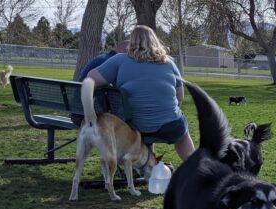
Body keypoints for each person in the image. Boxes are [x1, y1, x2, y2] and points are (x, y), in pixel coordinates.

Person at [85, 26, 195, 161]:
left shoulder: (120, 60)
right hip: (169, 128)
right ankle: (194, 165)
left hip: (133, 127)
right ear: (155, 41)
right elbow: (180, 97)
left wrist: (111, 82)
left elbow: (90, 78)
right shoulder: (169, 62)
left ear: (131, 41)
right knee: (181, 130)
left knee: (145, 118)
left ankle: (148, 162)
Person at [71, 41, 128, 127]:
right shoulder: (110, 62)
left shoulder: (101, 58)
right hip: (91, 115)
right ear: (125, 51)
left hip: (77, 111)